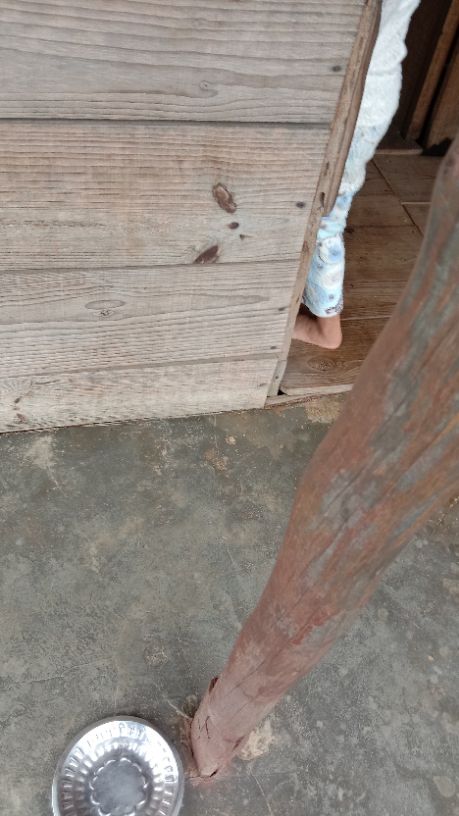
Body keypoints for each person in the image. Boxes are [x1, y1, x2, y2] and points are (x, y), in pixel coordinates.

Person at [293, 0, 421, 349]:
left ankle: (326, 330)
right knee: (321, 210)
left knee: (325, 216)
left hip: (355, 103)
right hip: (365, 95)